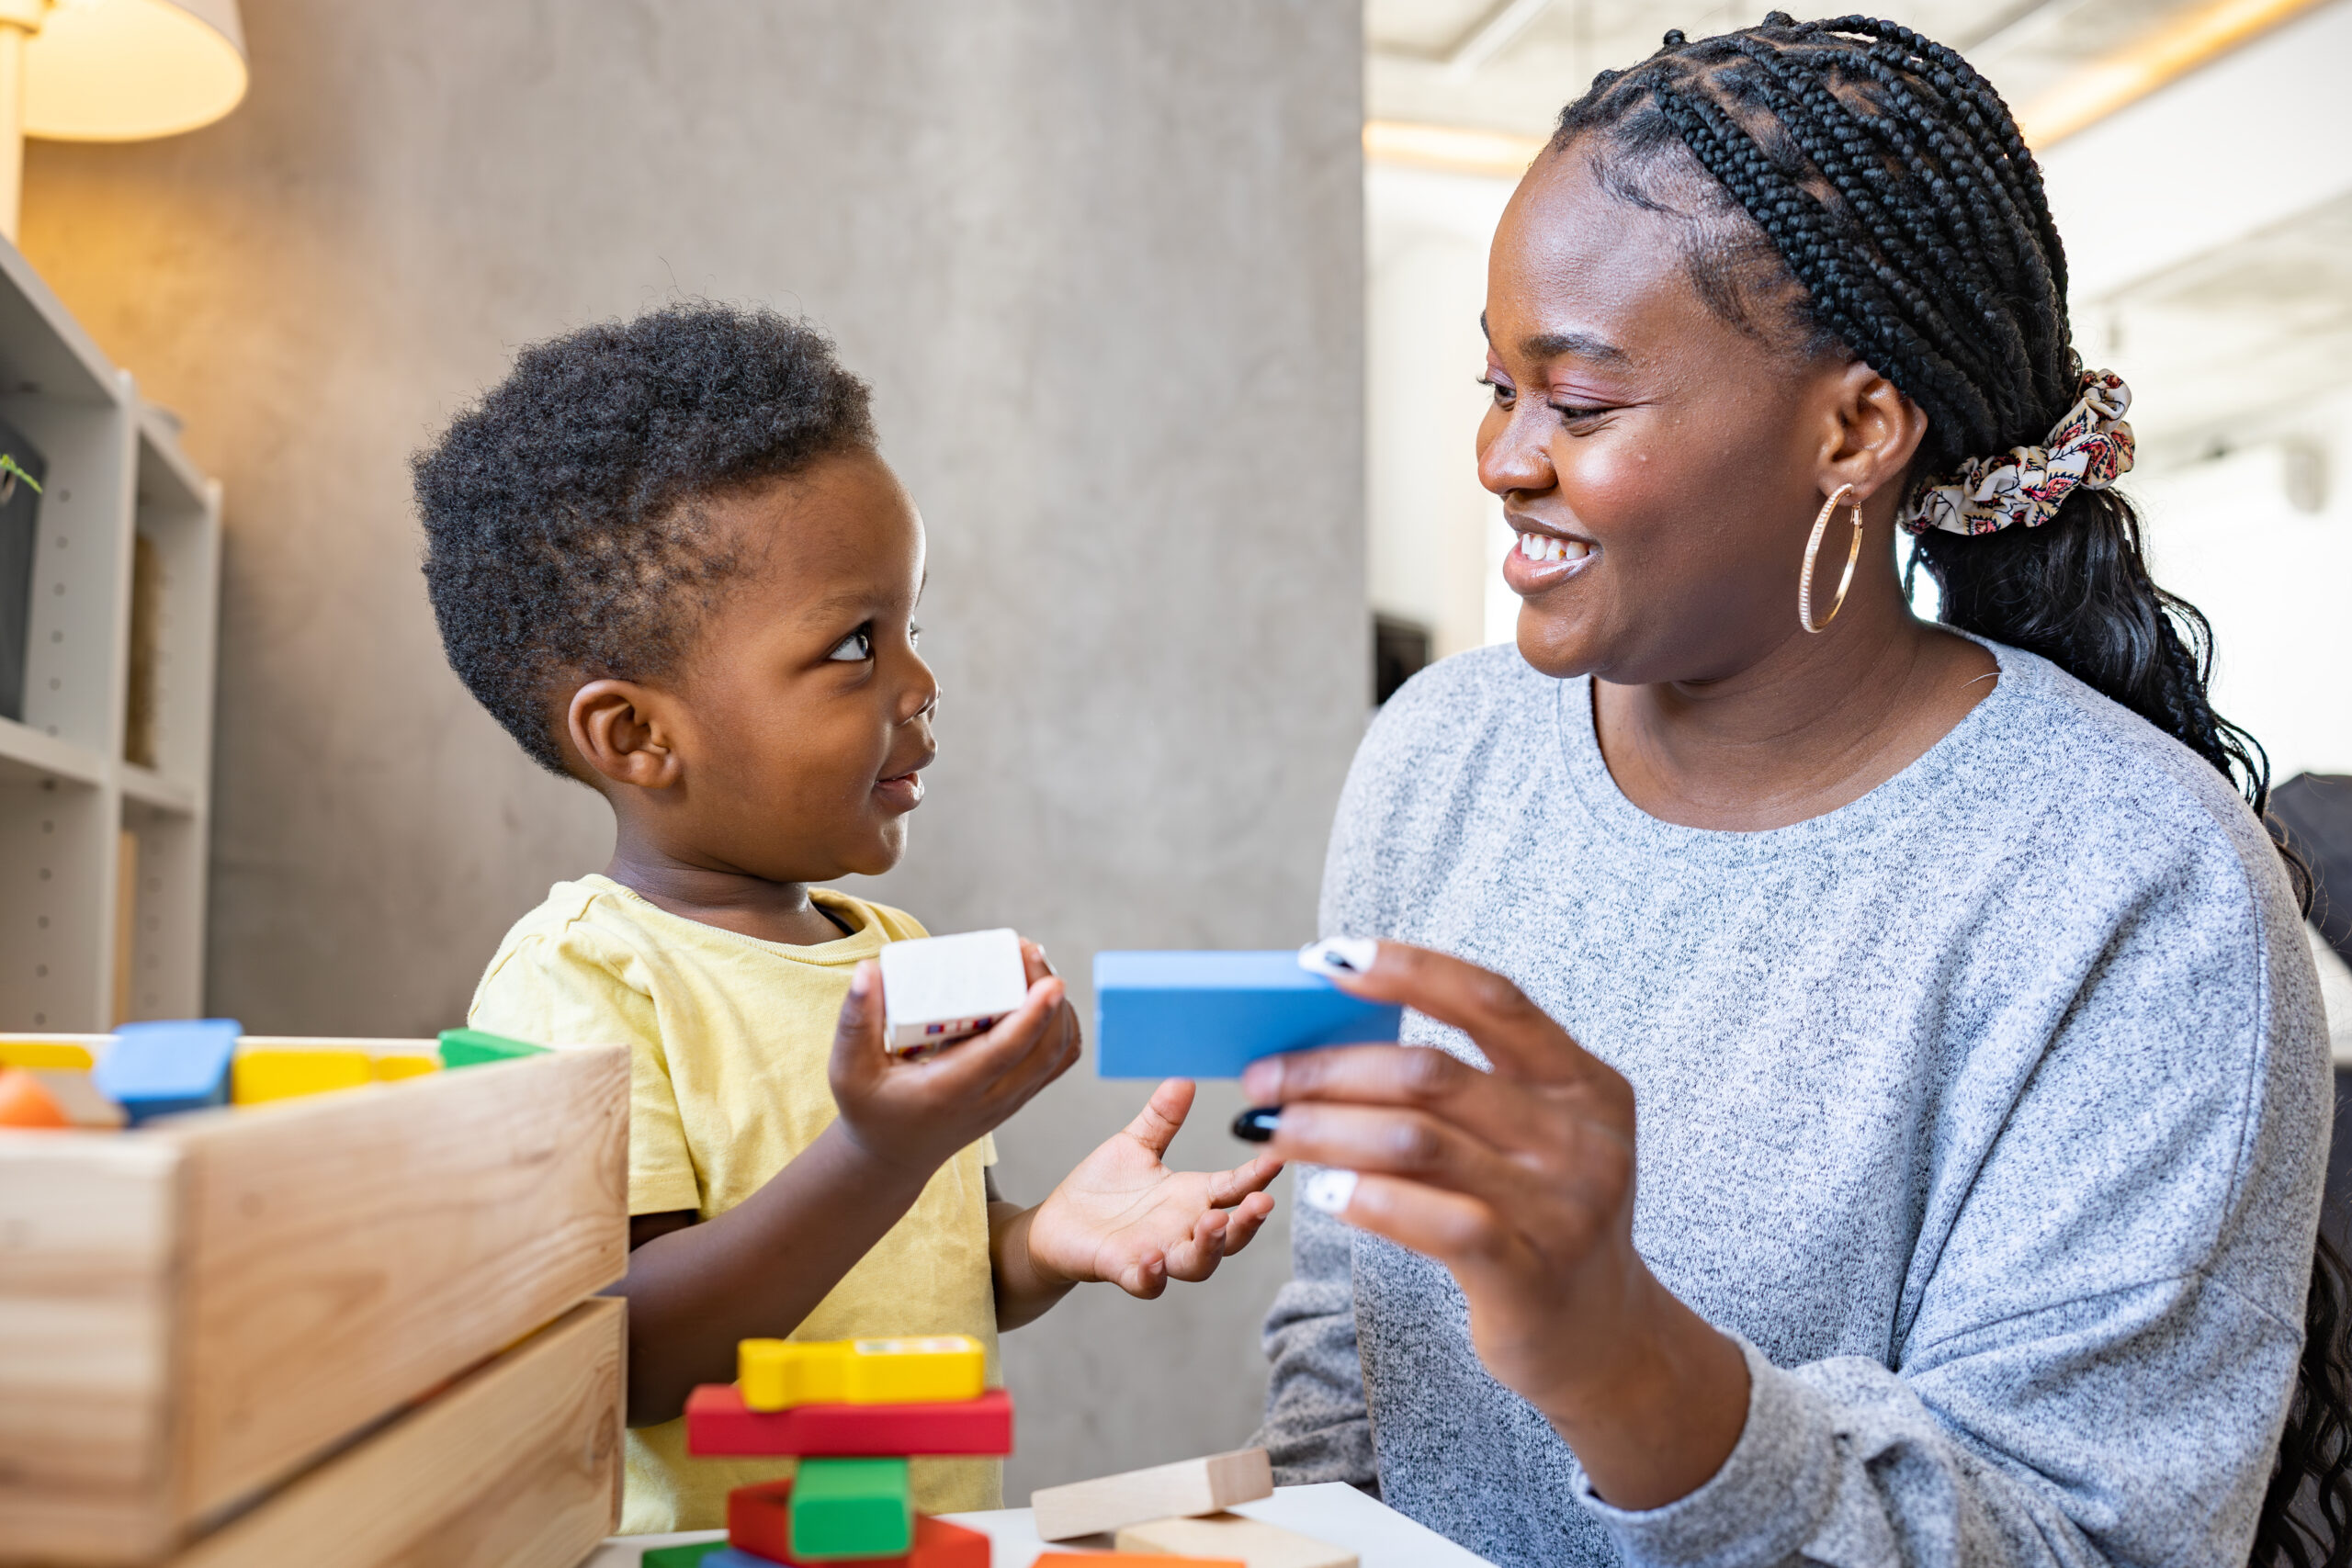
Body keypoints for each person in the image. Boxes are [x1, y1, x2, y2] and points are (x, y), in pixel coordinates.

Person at [1250, 16, 2348, 1567]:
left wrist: (1624, 1358)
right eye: (1496, 387)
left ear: (1854, 429)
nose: (1503, 456)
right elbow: (1343, 1304)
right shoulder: (1438, 756)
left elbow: (2079, 1542)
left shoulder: (2142, 887)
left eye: (1579, 403)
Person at [412, 303, 1281, 1533]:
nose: (920, 687)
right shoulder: (585, 983)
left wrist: (1040, 1243)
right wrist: (882, 1153)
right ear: (639, 735)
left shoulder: (899, 957)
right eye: (855, 646)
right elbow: (630, 1352)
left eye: (910, 630)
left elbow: (920, 1263)